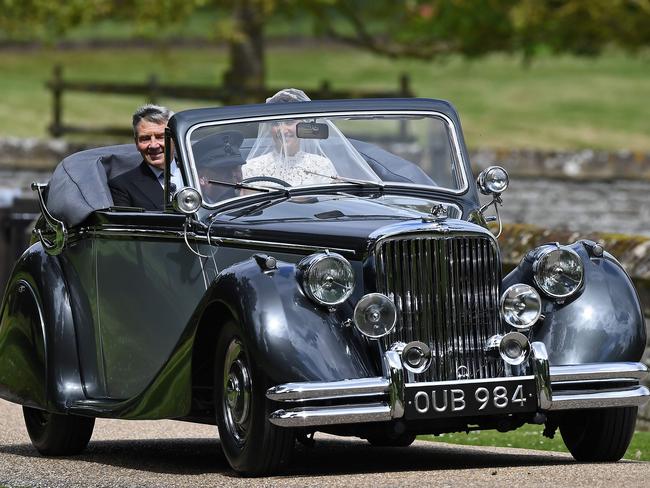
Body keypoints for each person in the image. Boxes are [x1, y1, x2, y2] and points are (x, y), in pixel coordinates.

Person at [243, 89, 338, 186]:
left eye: (289, 122)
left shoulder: (321, 166)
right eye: (275, 123)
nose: (283, 130)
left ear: (303, 124)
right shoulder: (252, 168)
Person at [109, 104, 182, 210]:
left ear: (174, 138)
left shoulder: (200, 176)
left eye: (160, 137)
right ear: (136, 143)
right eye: (145, 138)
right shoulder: (122, 186)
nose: (153, 145)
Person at [194, 130, 246, 203]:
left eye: (236, 167)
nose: (234, 174)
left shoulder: (254, 203)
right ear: (202, 178)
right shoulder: (196, 208)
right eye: (225, 169)